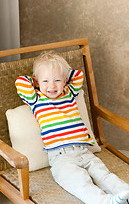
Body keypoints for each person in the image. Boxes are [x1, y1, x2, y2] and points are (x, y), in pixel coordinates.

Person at [15, 51, 129, 204]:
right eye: (46, 81)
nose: (52, 86)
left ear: (64, 81)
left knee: (104, 175)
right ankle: (105, 201)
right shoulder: (36, 99)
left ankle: (124, 193)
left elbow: (78, 75)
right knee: (79, 182)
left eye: (57, 80)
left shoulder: (69, 93)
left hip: (83, 151)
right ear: (37, 82)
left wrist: (63, 77)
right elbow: (20, 81)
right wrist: (35, 81)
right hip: (60, 157)